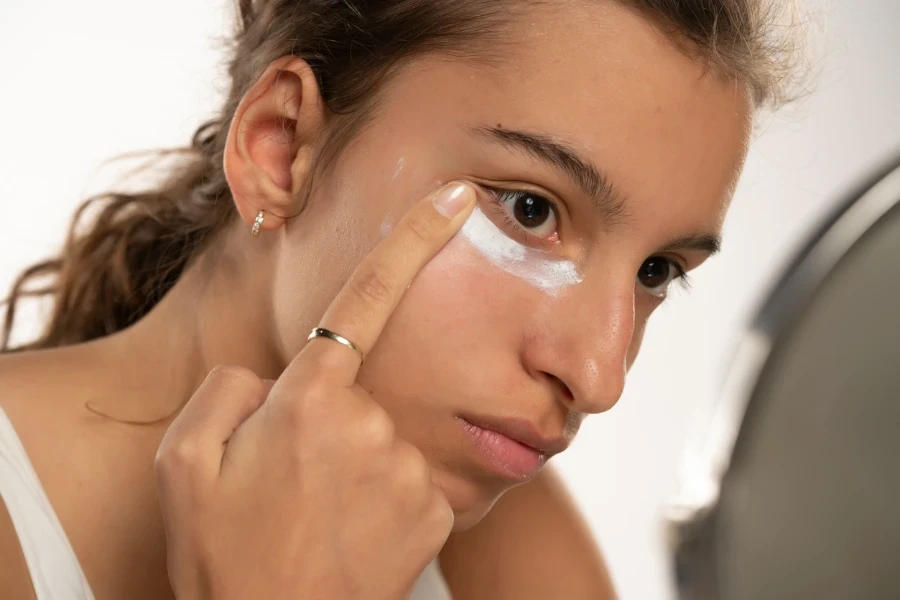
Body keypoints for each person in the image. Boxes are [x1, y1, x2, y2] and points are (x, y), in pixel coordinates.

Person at [0, 0, 801, 598]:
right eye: (530, 210)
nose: (599, 378)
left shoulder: (513, 551)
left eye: (656, 270)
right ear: (282, 149)